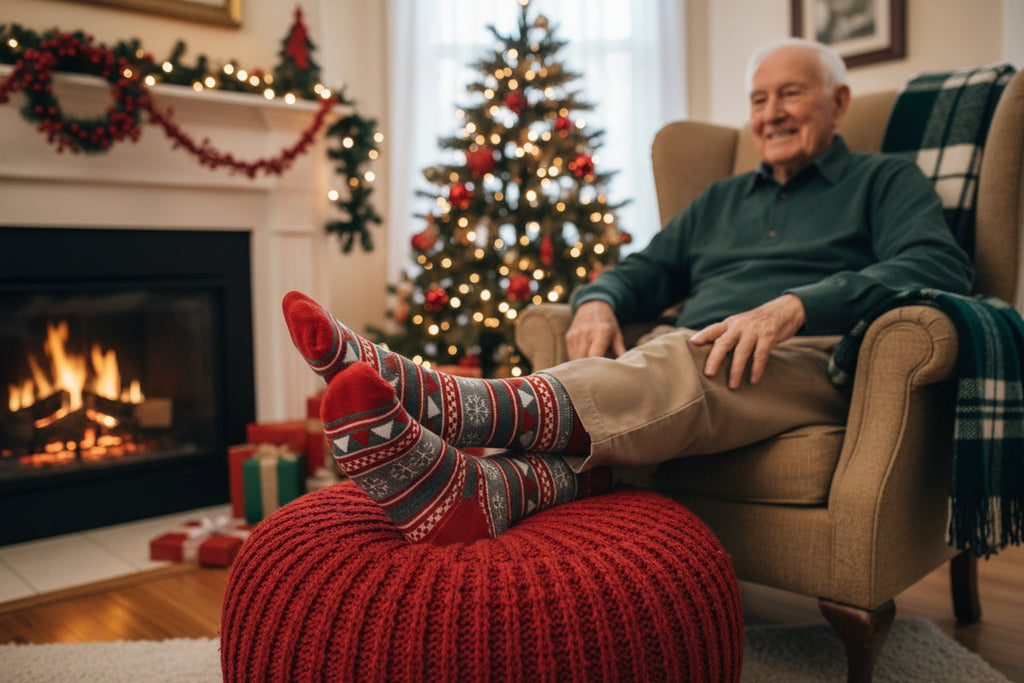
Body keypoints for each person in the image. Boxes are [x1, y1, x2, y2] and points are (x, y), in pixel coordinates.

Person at [283, 38, 973, 545]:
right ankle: (482, 491)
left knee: (690, 356)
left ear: (838, 101)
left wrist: (795, 306)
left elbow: (939, 266)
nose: (770, 114)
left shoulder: (885, 181)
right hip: (691, 353)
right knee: (670, 354)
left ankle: (444, 399)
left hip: (810, 354)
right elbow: (642, 268)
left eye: (790, 94)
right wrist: (598, 300)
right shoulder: (720, 198)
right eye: (759, 100)